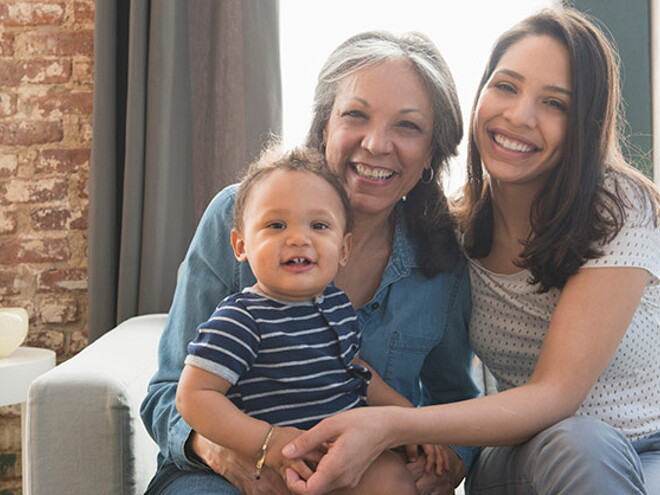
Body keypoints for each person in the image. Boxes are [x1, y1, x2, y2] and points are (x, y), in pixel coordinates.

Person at [282, 7, 660, 495]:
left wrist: (396, 427)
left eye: (555, 103)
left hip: (646, 448)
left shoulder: (617, 208)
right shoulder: (452, 235)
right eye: (506, 86)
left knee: (587, 446)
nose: (519, 116)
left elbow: (556, 394)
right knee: (581, 445)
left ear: (583, 125)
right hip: (524, 456)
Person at [141, 30, 480, 495]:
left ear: (430, 154)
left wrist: (444, 460)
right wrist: (230, 451)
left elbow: (453, 399)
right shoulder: (236, 215)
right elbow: (169, 392)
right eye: (355, 115)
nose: (377, 144)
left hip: (363, 470)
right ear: (325, 127)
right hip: (225, 473)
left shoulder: (442, 257)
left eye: (408, 126)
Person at [176, 145, 451, 495]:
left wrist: (415, 423)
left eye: (319, 225)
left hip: (347, 455)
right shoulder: (240, 319)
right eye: (276, 225)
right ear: (241, 245)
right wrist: (267, 442)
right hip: (283, 464)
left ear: (344, 249)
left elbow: (356, 373)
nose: (299, 238)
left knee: (394, 479)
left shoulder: (336, 306)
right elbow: (193, 395)